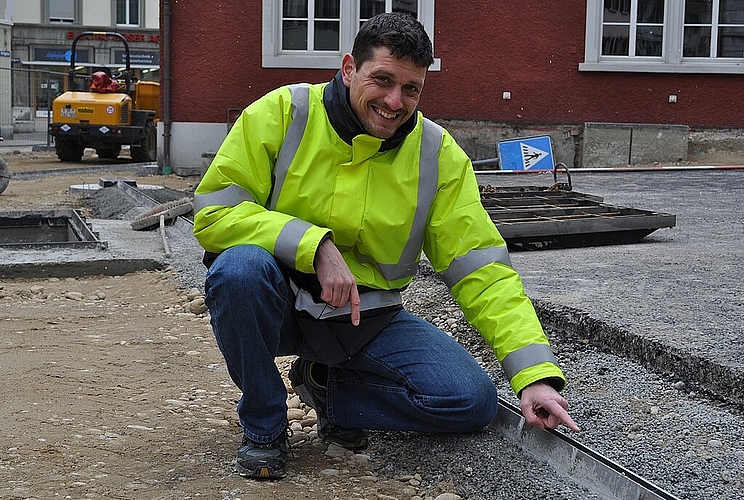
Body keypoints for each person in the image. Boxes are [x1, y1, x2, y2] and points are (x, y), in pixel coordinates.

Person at [193, 12, 579, 480]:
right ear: (349, 68)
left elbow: (481, 268)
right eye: (382, 80)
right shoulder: (282, 112)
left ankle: (324, 386)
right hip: (276, 307)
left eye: (411, 88)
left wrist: (533, 373)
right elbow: (215, 213)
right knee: (238, 270)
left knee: (470, 401)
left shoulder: (437, 154)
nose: (395, 102)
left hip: (364, 319)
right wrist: (313, 246)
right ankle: (264, 425)